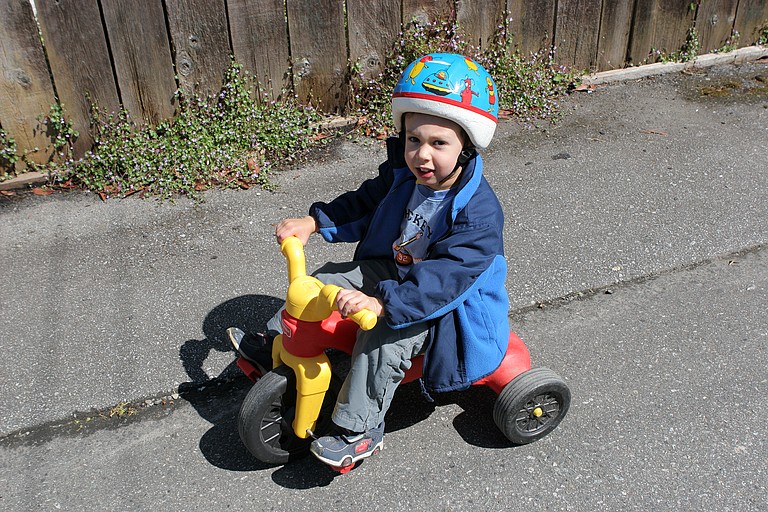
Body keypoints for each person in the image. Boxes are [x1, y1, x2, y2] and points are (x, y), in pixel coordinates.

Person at [232, 53, 510, 469]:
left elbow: (448, 278)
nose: (422, 155)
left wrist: (384, 305)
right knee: (326, 279)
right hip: (392, 271)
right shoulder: (404, 174)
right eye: (414, 139)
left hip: (440, 304)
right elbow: (364, 204)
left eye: (439, 143)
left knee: (383, 339)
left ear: (467, 146)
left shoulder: (478, 213)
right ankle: (277, 344)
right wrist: (314, 222)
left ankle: (359, 429)